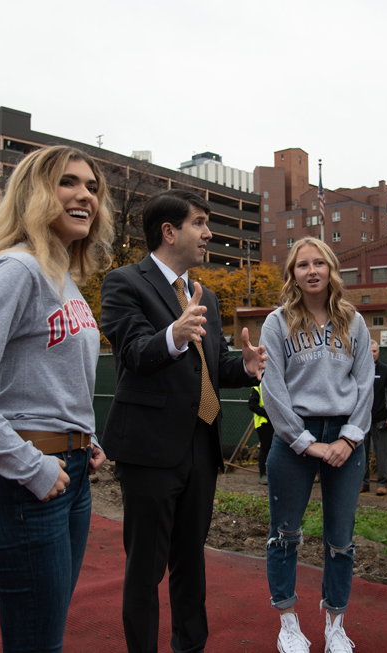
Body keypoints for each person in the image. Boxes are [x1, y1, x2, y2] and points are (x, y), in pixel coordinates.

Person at [0, 145, 114, 652]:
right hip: (28, 483)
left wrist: (86, 435)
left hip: (71, 474)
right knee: (37, 643)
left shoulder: (65, 280)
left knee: (45, 633)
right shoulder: (17, 269)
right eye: (68, 183)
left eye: (92, 187)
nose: (85, 196)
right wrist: (29, 466)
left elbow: (48, 379)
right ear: (35, 194)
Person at [100, 189, 267, 653]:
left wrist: (244, 366)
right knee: (146, 569)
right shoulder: (124, 284)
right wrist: (172, 333)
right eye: (200, 223)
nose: (209, 233)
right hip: (150, 450)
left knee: (191, 562)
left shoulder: (205, 296)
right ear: (169, 231)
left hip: (200, 445)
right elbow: (134, 354)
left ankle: (190, 646)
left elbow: (211, 364)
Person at [260, 236, 374, 653]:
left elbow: (365, 386)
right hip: (295, 439)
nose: (311, 271)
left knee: (340, 539)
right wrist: (306, 442)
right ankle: (288, 623)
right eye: (302, 265)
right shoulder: (278, 322)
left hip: (347, 439)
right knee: (284, 534)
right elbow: (273, 390)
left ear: (331, 270)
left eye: (319, 263)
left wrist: (348, 437)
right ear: (292, 274)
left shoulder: (353, 320)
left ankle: (335, 625)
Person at [361, 339, 387, 496]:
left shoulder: (386, 371)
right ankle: (363, 483)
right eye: (369, 351)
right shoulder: (359, 370)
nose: (372, 354)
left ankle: (382, 483)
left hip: (381, 420)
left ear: (378, 353)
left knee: (382, 453)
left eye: (375, 351)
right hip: (362, 421)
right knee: (361, 453)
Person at [248, 384, 275, 484]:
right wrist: (266, 414)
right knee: (265, 447)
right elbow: (252, 405)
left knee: (277, 447)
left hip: (276, 423)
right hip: (263, 423)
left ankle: (274, 472)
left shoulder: (277, 385)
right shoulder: (258, 387)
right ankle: (263, 474)